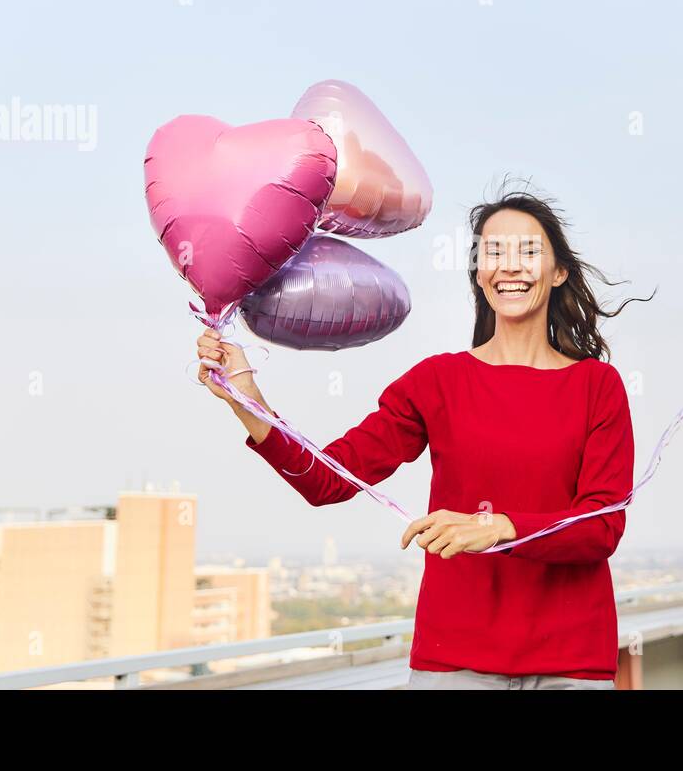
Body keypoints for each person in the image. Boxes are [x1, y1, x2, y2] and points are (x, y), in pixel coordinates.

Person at [196, 187, 650, 690]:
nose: (510, 266)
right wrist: (247, 400)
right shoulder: (438, 382)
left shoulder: (597, 387)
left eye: (528, 251)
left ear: (558, 271)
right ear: (479, 273)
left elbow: (600, 529)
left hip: (571, 662)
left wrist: (500, 526)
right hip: (453, 663)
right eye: (493, 252)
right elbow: (328, 481)